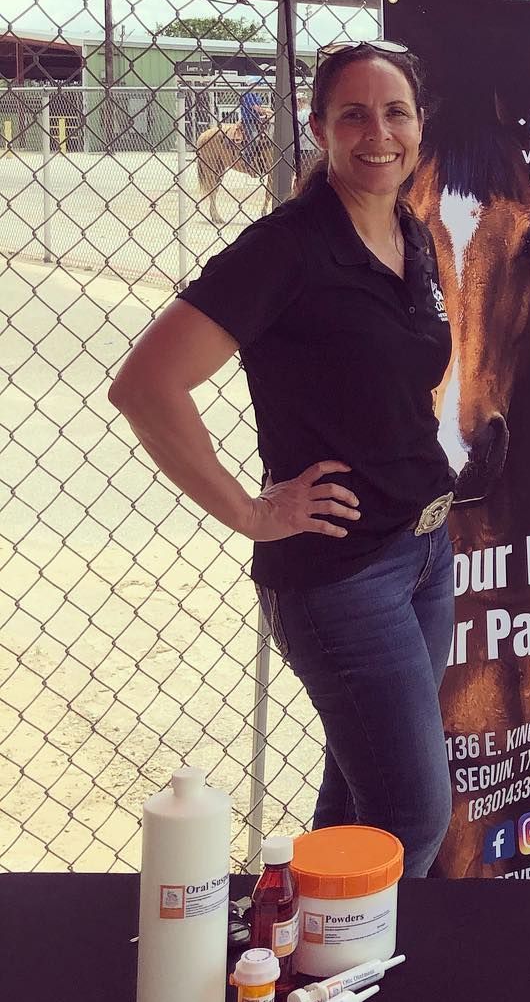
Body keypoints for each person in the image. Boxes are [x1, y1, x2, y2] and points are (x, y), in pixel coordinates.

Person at [109, 42, 456, 877]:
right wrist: (250, 511)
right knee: (411, 819)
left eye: (395, 112)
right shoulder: (287, 248)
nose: (379, 133)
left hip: (423, 553)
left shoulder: (410, 231)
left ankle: (313, 970)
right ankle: (358, 973)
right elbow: (146, 384)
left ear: (418, 125)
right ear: (319, 130)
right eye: (354, 114)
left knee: (356, 805)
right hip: (341, 576)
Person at [238, 80, 270, 171]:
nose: (259, 86)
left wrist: (265, 111)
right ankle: (246, 158)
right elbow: (255, 107)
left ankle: (260, 160)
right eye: (257, 84)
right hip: (248, 120)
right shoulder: (247, 93)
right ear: (252, 84)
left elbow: (259, 107)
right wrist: (266, 110)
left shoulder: (256, 95)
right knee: (254, 138)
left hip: (256, 120)